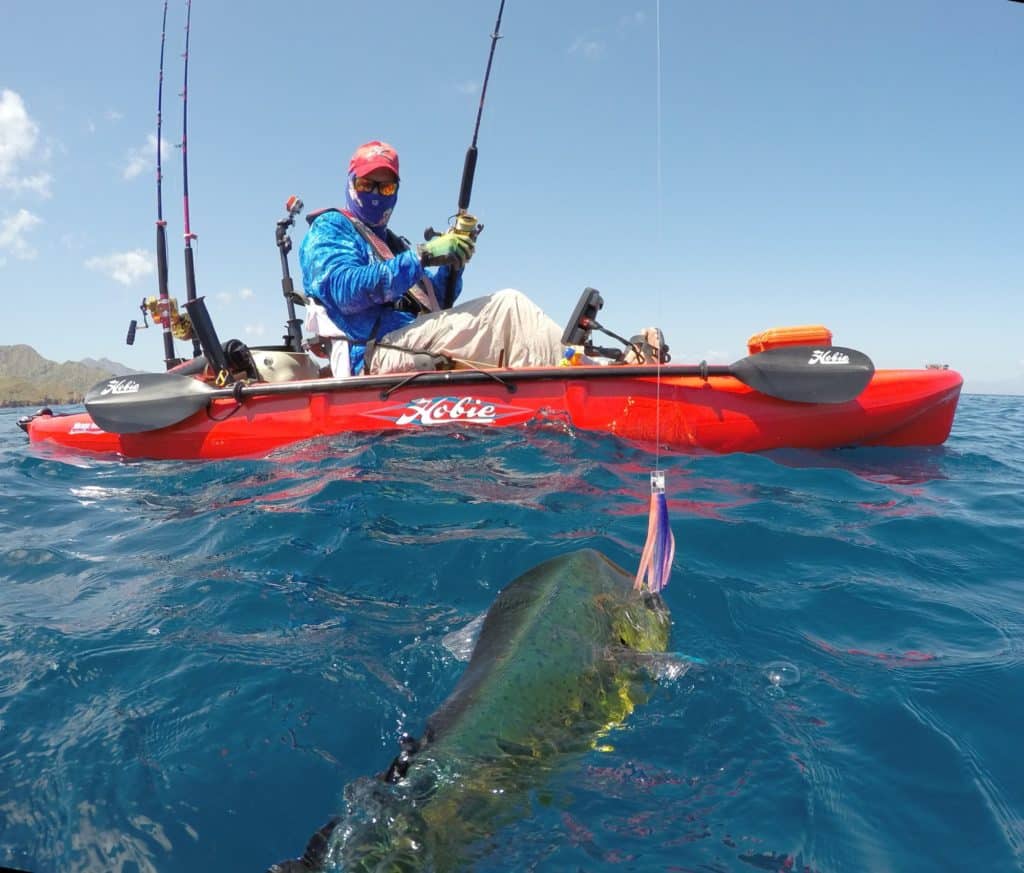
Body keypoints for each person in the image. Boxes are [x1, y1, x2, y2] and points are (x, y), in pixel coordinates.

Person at [299, 140, 567, 377]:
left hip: (409, 337)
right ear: (350, 183)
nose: (376, 195)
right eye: (366, 185)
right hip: (370, 351)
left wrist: (452, 265)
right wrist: (423, 255)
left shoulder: (392, 244)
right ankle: (581, 379)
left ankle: (560, 376)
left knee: (508, 321)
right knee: (509, 308)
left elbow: (437, 303)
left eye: (387, 188)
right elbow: (344, 292)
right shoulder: (331, 226)